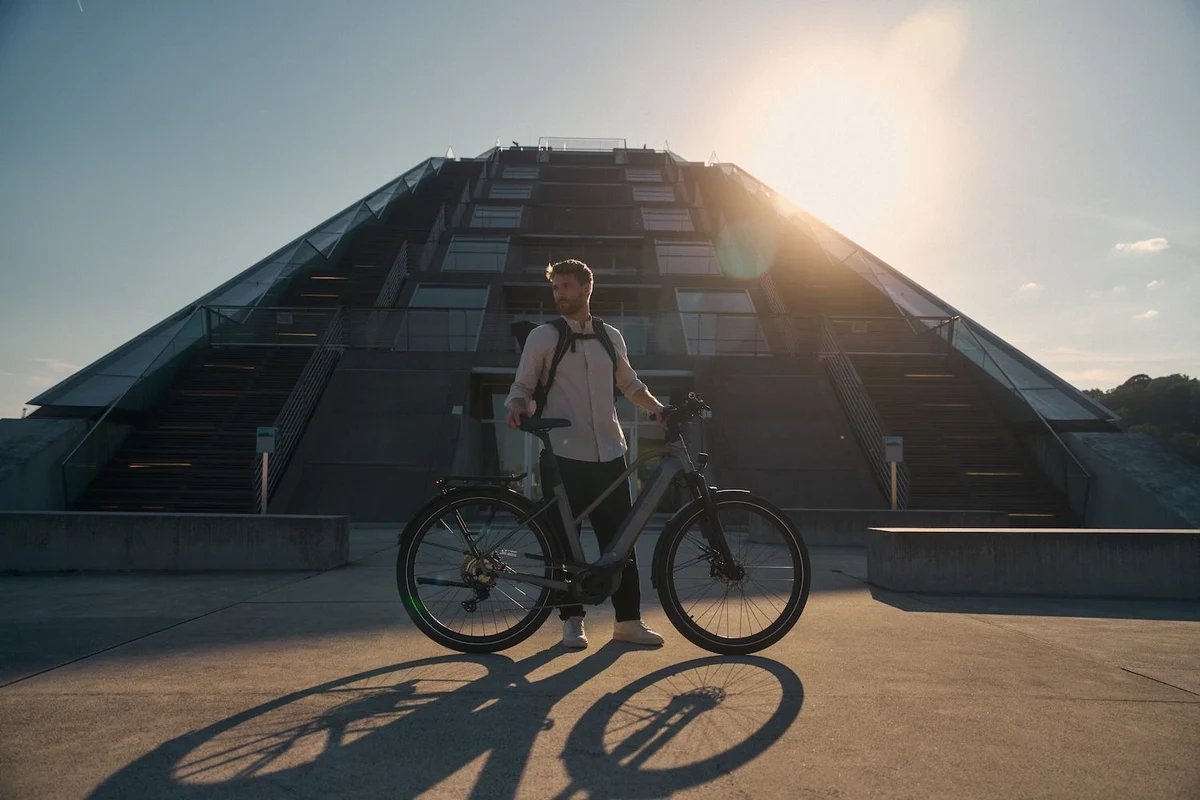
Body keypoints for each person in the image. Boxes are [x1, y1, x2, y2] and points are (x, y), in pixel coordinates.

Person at [505, 259, 668, 649]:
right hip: (562, 455)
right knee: (564, 541)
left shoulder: (611, 336)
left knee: (620, 542)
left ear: (586, 289)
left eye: (565, 287)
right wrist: (516, 405)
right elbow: (522, 384)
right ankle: (571, 622)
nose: (558, 294)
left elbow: (630, 384)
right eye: (555, 288)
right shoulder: (544, 336)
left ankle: (628, 621)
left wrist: (657, 409)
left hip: (611, 453)